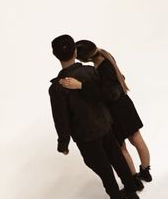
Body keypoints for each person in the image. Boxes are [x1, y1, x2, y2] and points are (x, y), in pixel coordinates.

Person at [48, 35, 142, 199]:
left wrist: (63, 144)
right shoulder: (90, 72)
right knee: (116, 157)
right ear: (75, 52)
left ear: (55, 55)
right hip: (105, 125)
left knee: (103, 167)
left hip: (86, 134)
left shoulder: (57, 88)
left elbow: (61, 119)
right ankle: (131, 190)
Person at [59, 40, 152, 184]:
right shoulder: (106, 57)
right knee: (137, 139)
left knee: (122, 148)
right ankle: (146, 171)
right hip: (125, 104)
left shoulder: (102, 68)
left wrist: (81, 85)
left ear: (85, 59)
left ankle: (134, 178)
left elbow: (109, 93)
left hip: (116, 109)